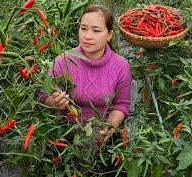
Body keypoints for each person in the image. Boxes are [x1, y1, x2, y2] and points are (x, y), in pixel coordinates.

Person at [40, 4, 132, 141]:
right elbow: (43, 96)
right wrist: (54, 102)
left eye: (96, 31)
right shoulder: (63, 61)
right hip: (65, 139)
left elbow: (121, 105)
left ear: (109, 35)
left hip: (103, 140)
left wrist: (110, 126)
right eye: (83, 29)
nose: (87, 36)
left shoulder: (120, 66)